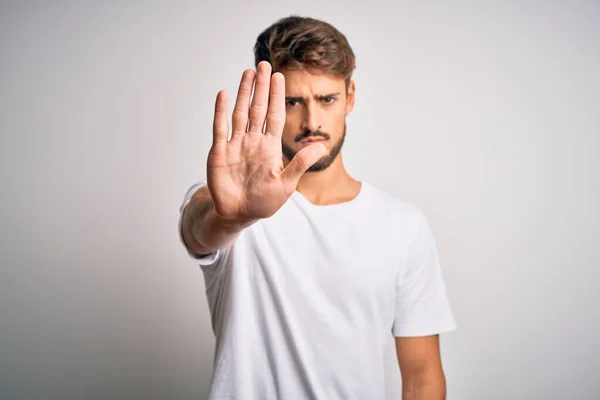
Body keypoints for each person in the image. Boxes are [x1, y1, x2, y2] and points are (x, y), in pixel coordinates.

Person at [179, 15, 457, 400]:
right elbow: (199, 229)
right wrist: (234, 216)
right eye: (293, 101)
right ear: (268, 99)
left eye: (327, 99)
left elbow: (422, 374)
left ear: (351, 97)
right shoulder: (233, 205)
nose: (312, 122)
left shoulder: (402, 225)